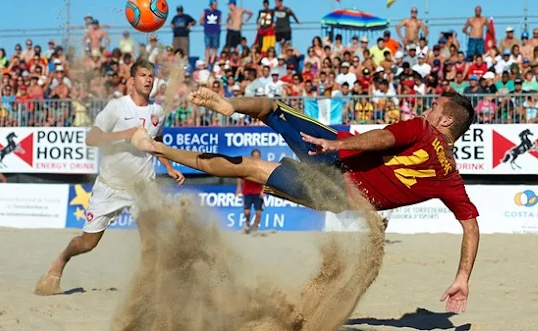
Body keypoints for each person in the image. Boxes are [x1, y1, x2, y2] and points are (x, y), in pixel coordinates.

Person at [130, 89, 480, 314]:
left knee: (270, 107)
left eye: (435, 107)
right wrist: (462, 277)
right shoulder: (451, 179)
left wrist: (337, 145)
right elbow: (470, 226)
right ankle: (160, 149)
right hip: (337, 196)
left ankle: (227, 106)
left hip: (334, 156)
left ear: (446, 120)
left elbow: (383, 137)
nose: (429, 108)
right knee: (251, 169)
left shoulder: (422, 128)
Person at [34, 60, 185, 296]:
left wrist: (169, 165)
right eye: (143, 75)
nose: (148, 79)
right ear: (132, 80)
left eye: (151, 76)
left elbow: (158, 142)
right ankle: (61, 261)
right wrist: (125, 134)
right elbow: (91, 138)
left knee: (151, 243)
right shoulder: (117, 107)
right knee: (87, 243)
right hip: (110, 186)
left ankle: (146, 294)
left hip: (142, 186)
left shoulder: (157, 111)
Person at [236, 149, 265, 234]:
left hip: (258, 193)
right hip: (247, 192)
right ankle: (247, 223)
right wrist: (238, 187)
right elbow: (239, 176)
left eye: (258, 156)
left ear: (260, 157)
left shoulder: (263, 168)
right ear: (251, 157)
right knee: (247, 212)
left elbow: (266, 180)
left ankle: (254, 231)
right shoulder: (246, 166)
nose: (256, 158)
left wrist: (264, 191)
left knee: (258, 213)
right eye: (254, 156)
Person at [200, 0, 222, 65]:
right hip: (208, 31)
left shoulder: (219, 12)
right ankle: (206, 62)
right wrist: (206, 25)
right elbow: (201, 20)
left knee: (215, 47)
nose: (216, 6)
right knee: (207, 47)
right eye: (214, 4)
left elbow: (220, 21)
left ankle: (212, 61)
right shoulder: (205, 11)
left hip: (216, 31)